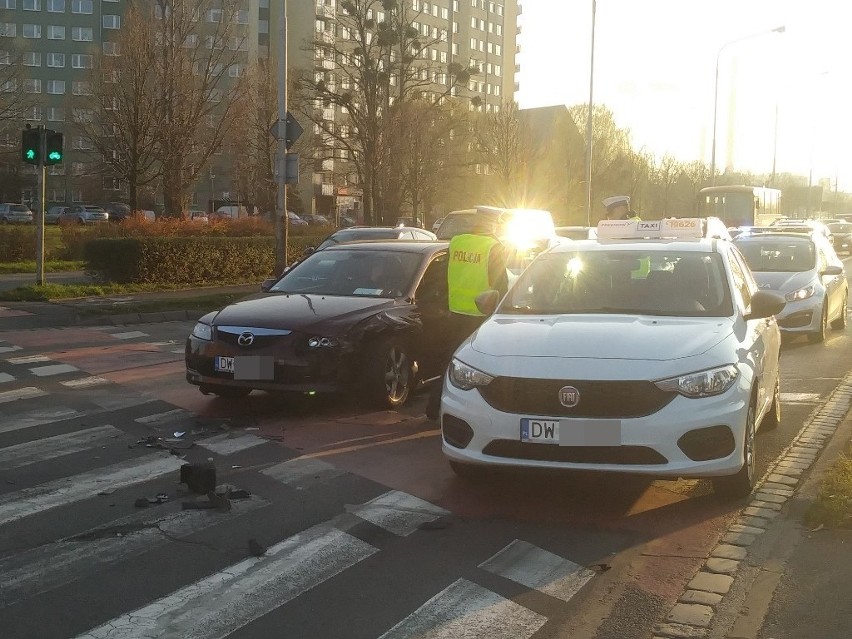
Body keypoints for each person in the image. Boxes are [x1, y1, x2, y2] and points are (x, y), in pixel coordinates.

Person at [425, 232, 509, 421]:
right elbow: (501, 282)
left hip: (455, 312)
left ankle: (433, 407)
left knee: (450, 361)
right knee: (481, 368)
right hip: (481, 314)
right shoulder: (492, 246)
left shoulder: (457, 242)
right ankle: (478, 413)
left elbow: (442, 274)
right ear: (493, 225)